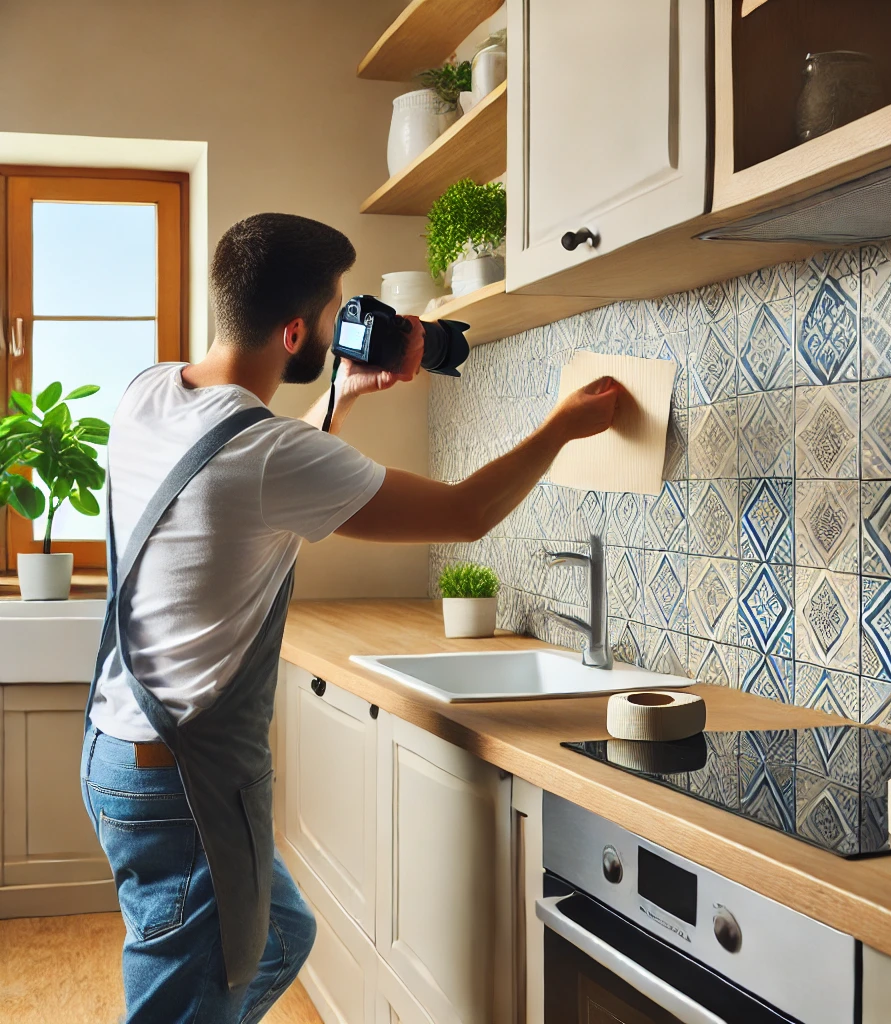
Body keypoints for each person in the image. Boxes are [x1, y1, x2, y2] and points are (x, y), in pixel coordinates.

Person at [80, 212, 622, 1023]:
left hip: (120, 755)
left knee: (277, 937)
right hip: (186, 787)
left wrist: (344, 393)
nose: (344, 327)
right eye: (335, 313)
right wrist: (563, 426)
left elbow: (251, 477)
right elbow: (467, 512)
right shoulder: (268, 456)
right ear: (295, 330)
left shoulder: (148, 394)